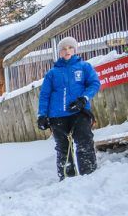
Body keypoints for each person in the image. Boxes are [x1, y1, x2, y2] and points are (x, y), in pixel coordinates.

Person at [37, 36, 101, 181]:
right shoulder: (52, 73)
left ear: (75, 50)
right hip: (57, 116)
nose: (67, 51)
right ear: (59, 53)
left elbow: (94, 84)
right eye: (63, 49)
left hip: (79, 112)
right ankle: (67, 179)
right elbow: (45, 95)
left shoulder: (84, 67)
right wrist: (42, 115)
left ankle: (89, 176)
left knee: (84, 141)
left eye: (70, 47)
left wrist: (83, 99)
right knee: (63, 147)